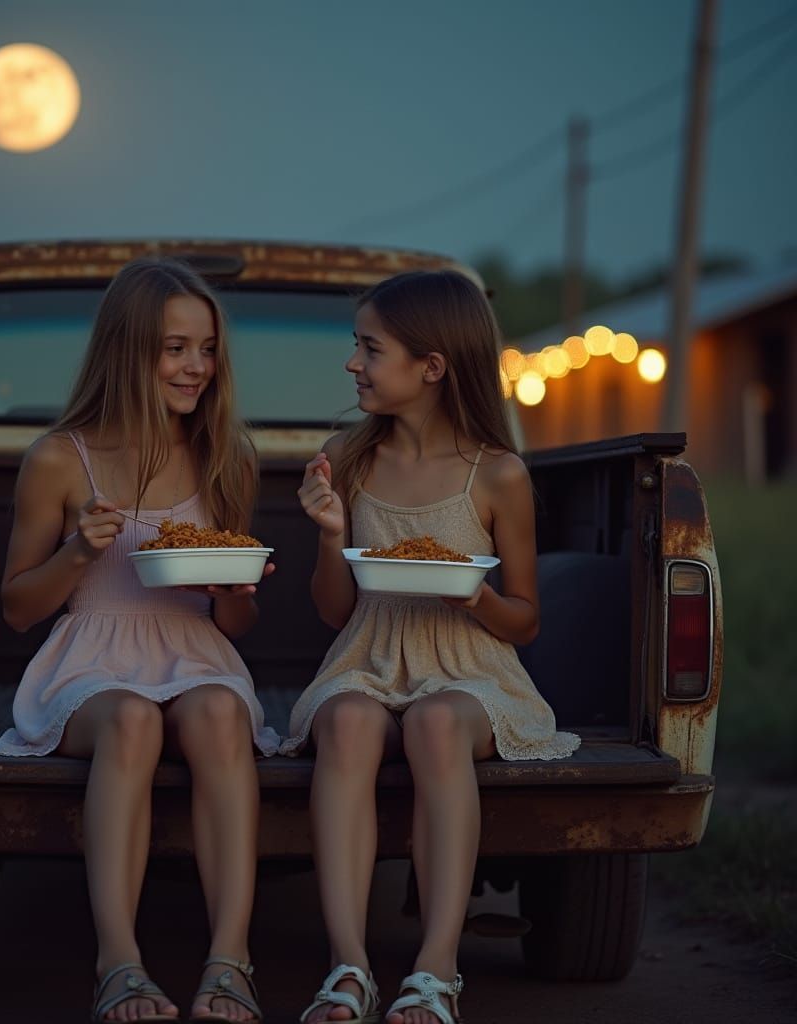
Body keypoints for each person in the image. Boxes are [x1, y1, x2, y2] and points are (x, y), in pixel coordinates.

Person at [0, 257, 277, 1024]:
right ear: (127, 348)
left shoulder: (224, 455)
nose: (196, 368)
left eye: (206, 349)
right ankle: (119, 962)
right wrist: (78, 552)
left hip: (196, 650)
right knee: (135, 718)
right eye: (174, 348)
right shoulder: (60, 457)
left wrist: (231, 594)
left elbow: (235, 624)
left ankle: (229, 959)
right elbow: (17, 608)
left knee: (217, 714)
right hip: (91, 660)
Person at [281, 270, 579, 1024]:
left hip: (471, 670)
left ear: (432, 367)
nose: (353, 363)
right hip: (367, 657)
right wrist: (330, 535)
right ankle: (348, 967)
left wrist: (471, 593)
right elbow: (333, 609)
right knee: (347, 722)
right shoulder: (346, 456)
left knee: (435, 722)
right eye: (357, 346)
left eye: (370, 348)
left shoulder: (497, 474)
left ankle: (436, 969)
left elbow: (524, 620)